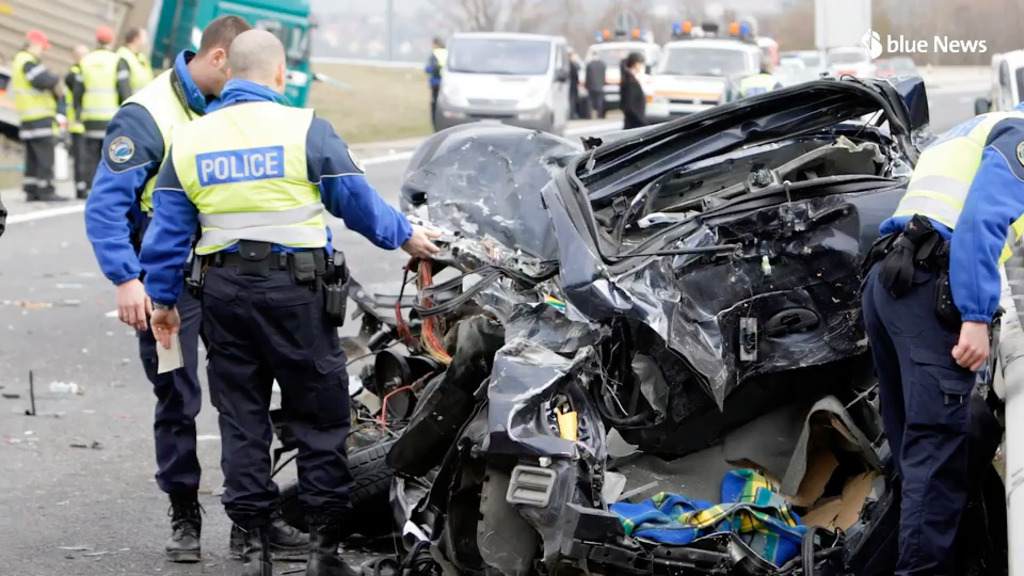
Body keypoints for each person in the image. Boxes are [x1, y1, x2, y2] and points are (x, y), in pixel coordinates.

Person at [140, 29, 441, 576]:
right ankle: (323, 552)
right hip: (298, 296)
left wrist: (162, 301)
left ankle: (253, 547)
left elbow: (166, 236)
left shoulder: (190, 140)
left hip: (224, 295)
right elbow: (358, 204)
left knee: (241, 417)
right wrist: (408, 238)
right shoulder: (306, 130)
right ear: (279, 75)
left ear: (228, 71)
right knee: (320, 418)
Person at [84, 15, 307, 564]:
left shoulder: (243, 104)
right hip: (167, 284)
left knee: (246, 396)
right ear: (217, 60)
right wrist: (126, 278)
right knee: (177, 397)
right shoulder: (146, 115)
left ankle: (249, 516)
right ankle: (184, 509)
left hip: (230, 277)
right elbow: (107, 206)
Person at [860, 105, 1024, 575]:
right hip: (933, 291)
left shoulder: (979, 126)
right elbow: (981, 221)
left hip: (890, 281)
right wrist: (974, 315)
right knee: (934, 464)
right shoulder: (1020, 137)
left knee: (915, 458)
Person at [76, 25, 132, 199]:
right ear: (111, 40)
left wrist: (78, 114)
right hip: (111, 118)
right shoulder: (117, 61)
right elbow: (125, 91)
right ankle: (106, 190)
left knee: (90, 155)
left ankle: (88, 187)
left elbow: (78, 91)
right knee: (111, 156)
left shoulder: (85, 61)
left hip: (90, 117)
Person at [12, 29, 65, 202]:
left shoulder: (21, 60)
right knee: (44, 155)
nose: (43, 51)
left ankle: (32, 189)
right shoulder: (28, 61)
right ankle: (45, 190)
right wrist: (55, 79)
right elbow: (42, 80)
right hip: (39, 117)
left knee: (33, 157)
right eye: (42, 47)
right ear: (34, 44)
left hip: (29, 117)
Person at [65, 44, 89, 198]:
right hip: (78, 123)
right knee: (81, 158)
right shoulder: (75, 74)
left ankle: (85, 187)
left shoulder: (82, 72)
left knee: (86, 157)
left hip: (84, 122)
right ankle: (81, 189)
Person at [117, 27, 155, 94]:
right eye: (144, 38)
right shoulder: (123, 56)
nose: (146, 41)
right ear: (136, 39)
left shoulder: (142, 58)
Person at [620, 52, 647, 130]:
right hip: (634, 124)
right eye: (640, 64)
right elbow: (630, 106)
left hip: (632, 123)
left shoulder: (627, 78)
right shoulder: (631, 82)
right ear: (635, 64)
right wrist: (642, 122)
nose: (641, 66)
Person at [425, 37, 446, 130]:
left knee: (434, 106)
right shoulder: (447, 53)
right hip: (446, 84)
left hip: (435, 83)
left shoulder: (434, 54)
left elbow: (429, 69)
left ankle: (436, 127)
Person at [585, 54, 606, 119]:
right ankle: (600, 114)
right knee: (600, 101)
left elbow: (587, 76)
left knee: (590, 101)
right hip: (600, 85)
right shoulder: (602, 64)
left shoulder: (589, 65)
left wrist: (586, 85)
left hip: (591, 86)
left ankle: (589, 115)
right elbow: (603, 75)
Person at [568, 47, 580, 119]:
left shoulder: (569, 64)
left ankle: (572, 113)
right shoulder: (571, 64)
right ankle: (572, 114)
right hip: (572, 86)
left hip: (571, 85)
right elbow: (576, 75)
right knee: (572, 101)